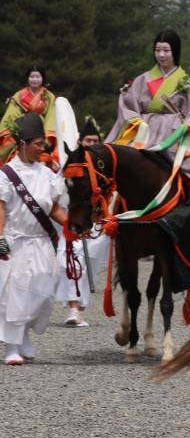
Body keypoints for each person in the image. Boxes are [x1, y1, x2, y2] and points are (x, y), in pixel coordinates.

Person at [106, 29, 190, 189]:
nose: (161, 55)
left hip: (174, 135)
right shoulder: (141, 80)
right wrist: (137, 121)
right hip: (144, 133)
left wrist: (186, 125)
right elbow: (128, 107)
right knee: (118, 167)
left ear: (175, 51)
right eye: (157, 50)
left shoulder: (186, 83)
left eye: (166, 50)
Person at [0, 113, 68, 365]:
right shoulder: (6, 174)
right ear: (23, 144)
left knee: (44, 291)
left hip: (41, 241)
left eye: (44, 144)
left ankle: (24, 332)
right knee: (15, 293)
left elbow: (53, 210)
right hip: (14, 241)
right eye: (38, 143)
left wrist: (74, 226)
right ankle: (12, 346)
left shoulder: (47, 174)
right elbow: (1, 208)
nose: (43, 148)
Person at [55, 116, 110, 327]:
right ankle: (73, 308)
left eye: (95, 141)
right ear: (81, 143)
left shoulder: (105, 167)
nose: (92, 145)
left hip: (98, 225)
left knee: (89, 267)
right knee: (67, 262)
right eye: (88, 141)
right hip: (74, 220)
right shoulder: (72, 164)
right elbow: (60, 191)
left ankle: (80, 308)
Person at [0, 66, 57, 165]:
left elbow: (51, 116)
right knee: (8, 148)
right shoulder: (18, 95)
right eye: (32, 76)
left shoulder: (49, 96)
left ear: (42, 78)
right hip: (22, 130)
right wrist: (15, 129)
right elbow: (12, 114)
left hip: (41, 130)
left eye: (37, 77)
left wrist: (47, 136)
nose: (34, 79)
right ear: (27, 78)